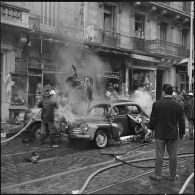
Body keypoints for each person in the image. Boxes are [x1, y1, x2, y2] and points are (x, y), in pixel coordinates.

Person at [148, 84, 185, 181]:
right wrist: (182, 133)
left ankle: (157, 175)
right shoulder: (178, 105)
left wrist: (150, 129)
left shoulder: (157, 104)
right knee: (173, 156)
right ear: (172, 93)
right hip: (173, 135)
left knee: (159, 155)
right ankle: (172, 176)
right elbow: (182, 121)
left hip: (160, 134)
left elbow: (153, 119)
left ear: (163, 92)